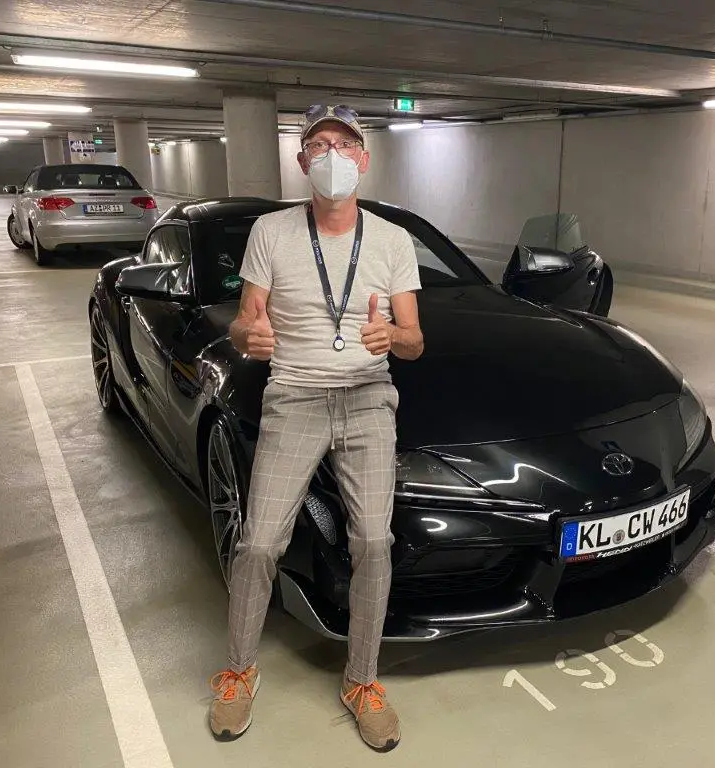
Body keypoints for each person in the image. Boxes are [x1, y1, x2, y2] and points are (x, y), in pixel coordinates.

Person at [208, 104, 424, 752]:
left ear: (363, 159)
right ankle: (239, 671)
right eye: (320, 144)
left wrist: (392, 337)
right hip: (295, 397)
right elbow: (244, 322)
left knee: (374, 542)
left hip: (366, 398)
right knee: (258, 543)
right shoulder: (271, 232)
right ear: (303, 160)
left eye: (345, 144)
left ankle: (362, 681)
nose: (333, 155)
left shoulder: (392, 240)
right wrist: (249, 336)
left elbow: (414, 340)